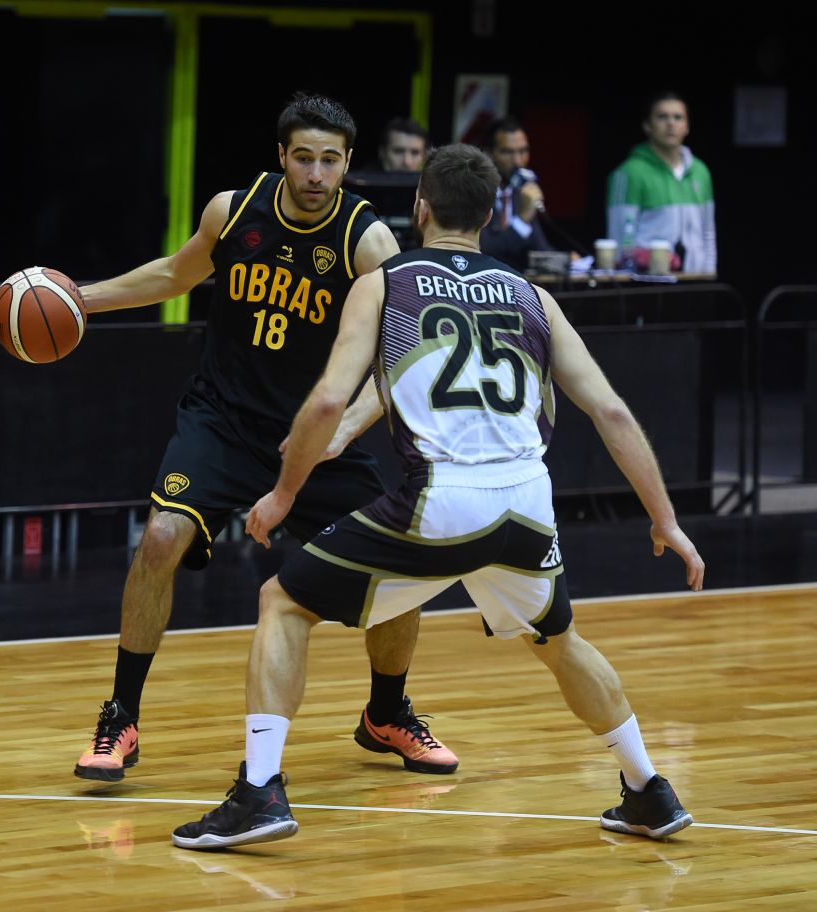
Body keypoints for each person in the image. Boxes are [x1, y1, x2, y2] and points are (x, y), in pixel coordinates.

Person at [172, 143, 705, 850]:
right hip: (527, 502)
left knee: (283, 602)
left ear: (421, 207)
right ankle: (648, 789)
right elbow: (610, 410)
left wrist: (282, 493)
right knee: (559, 641)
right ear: (490, 214)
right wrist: (666, 520)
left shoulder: (386, 282)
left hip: (443, 498)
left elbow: (329, 398)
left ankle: (259, 792)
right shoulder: (533, 296)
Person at [72, 93, 458, 784]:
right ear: (281, 156)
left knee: (399, 566)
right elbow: (175, 274)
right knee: (160, 537)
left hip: (309, 437)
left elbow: (402, 358)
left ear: (348, 163)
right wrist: (82, 297)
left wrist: (345, 427)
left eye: (330, 161)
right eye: (303, 158)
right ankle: (120, 716)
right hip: (221, 420)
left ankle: (386, 712)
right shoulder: (233, 210)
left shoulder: (367, 242)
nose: (316, 174)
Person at [606, 91, 717, 274]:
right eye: (662, 117)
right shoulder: (629, 173)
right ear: (647, 125)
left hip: (695, 279)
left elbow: (708, 234)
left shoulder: (700, 171)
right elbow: (620, 241)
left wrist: (709, 272)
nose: (671, 123)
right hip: (649, 281)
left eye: (678, 117)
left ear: (687, 126)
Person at [478, 115, 557, 271]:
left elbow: (539, 249)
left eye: (523, 151)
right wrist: (522, 219)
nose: (518, 161)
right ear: (488, 153)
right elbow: (484, 249)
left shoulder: (520, 194)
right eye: (508, 152)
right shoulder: (476, 194)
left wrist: (565, 259)